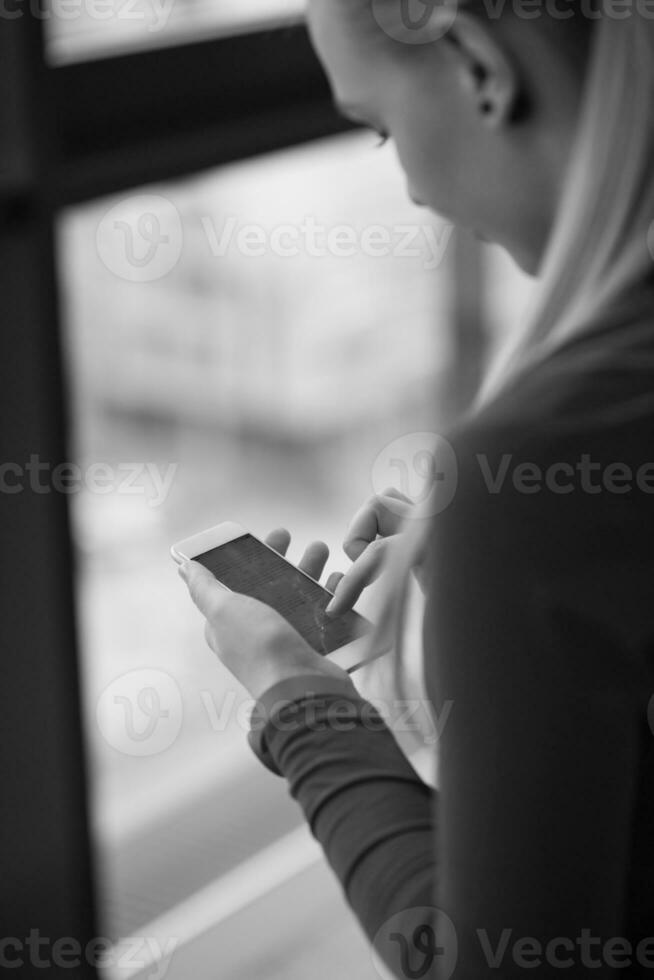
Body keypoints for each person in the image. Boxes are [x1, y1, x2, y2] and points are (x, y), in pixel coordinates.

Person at [180, 5, 654, 978]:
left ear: (480, 63)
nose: (410, 188)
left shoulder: (531, 488)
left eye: (382, 127)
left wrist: (298, 697)